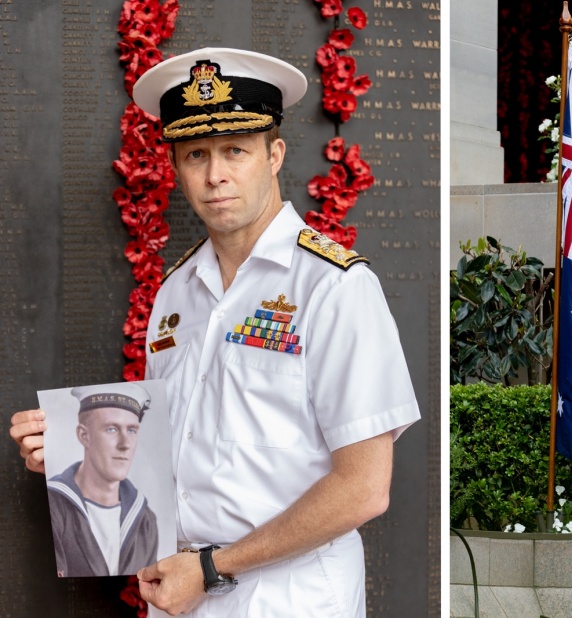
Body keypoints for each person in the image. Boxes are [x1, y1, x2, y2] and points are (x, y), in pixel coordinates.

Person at [10, 47, 420, 616]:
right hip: (179, 593)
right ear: (176, 167)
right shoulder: (175, 294)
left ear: (274, 154)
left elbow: (364, 487)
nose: (215, 174)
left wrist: (211, 567)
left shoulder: (334, 288)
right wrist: (69, 460)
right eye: (196, 154)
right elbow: (170, 457)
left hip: (288, 597)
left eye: (236, 150)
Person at [47, 383, 158, 578]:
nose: (125, 444)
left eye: (131, 430)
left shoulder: (145, 520)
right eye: (112, 429)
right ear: (84, 436)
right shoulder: (53, 505)